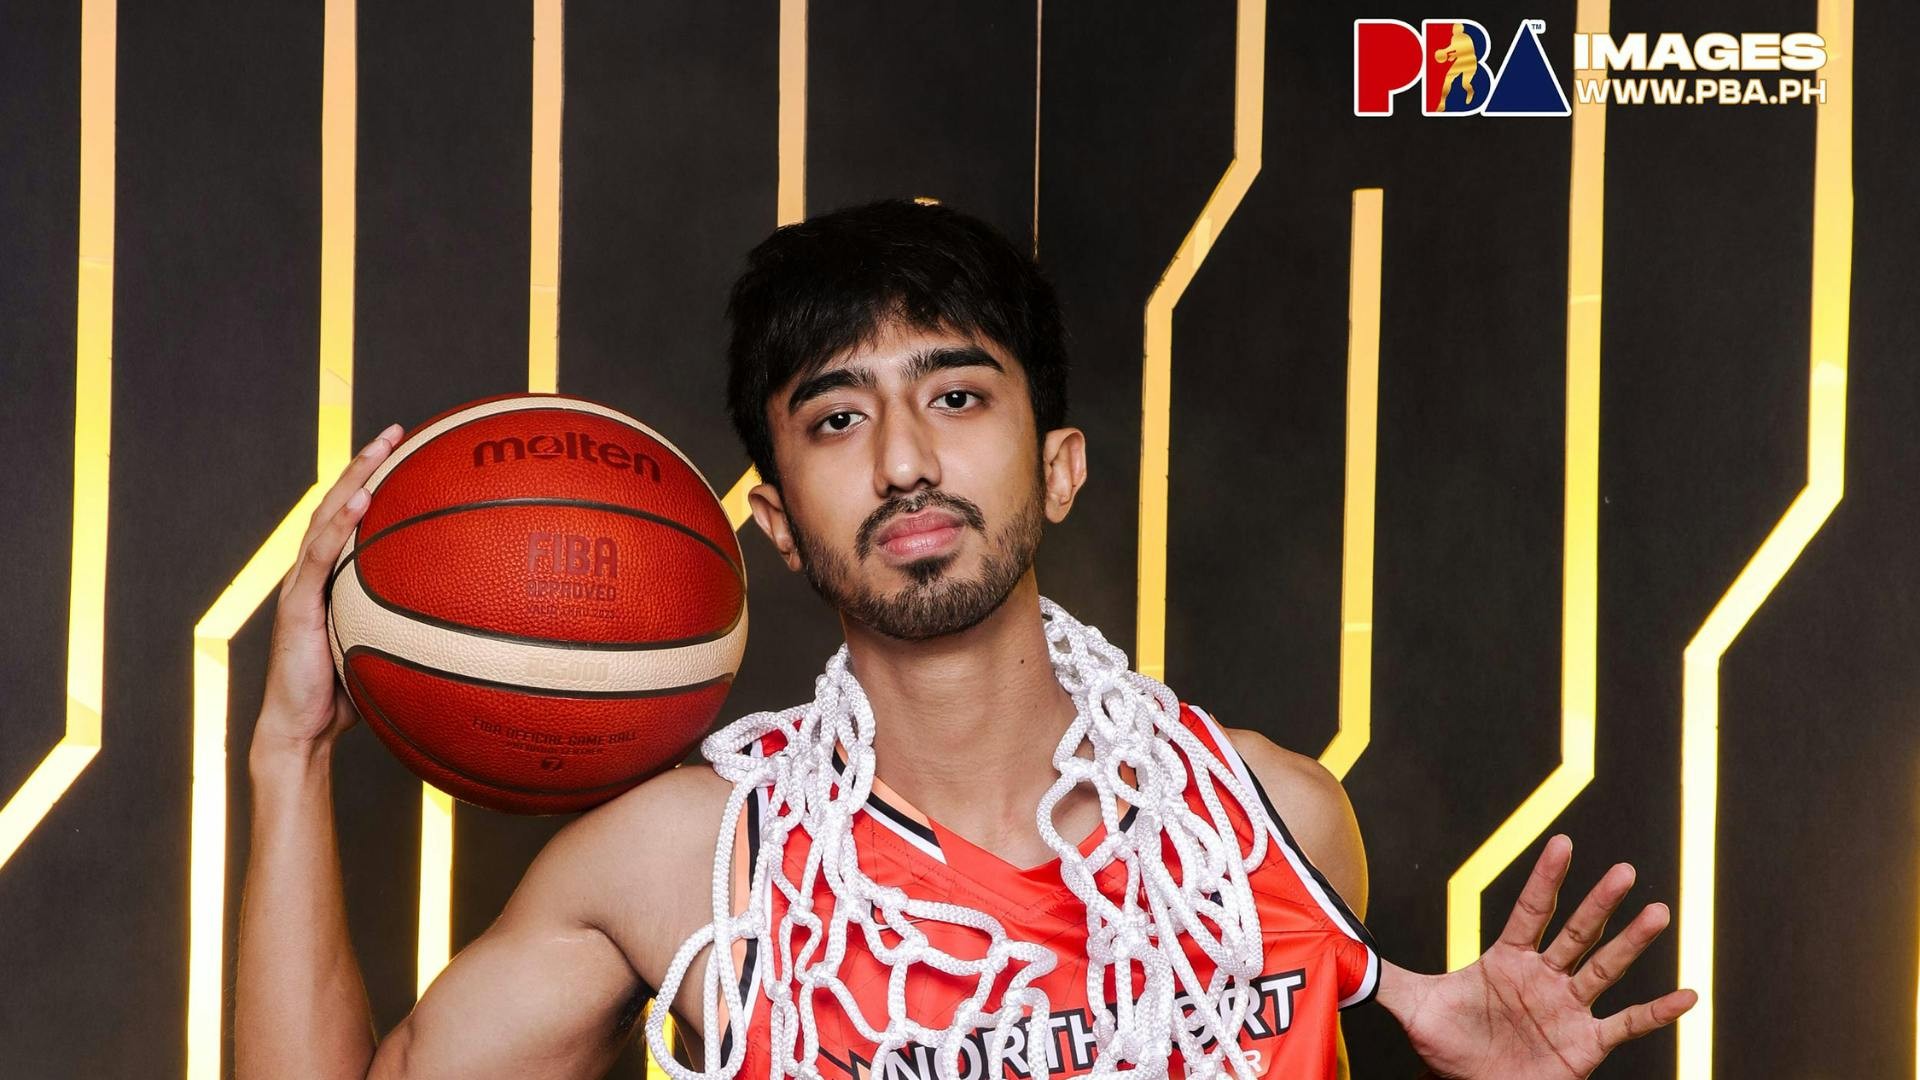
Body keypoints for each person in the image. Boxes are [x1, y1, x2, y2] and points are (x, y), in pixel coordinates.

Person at [235, 199, 1694, 1080]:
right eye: (835, 416)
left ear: (1058, 467)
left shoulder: (1272, 824)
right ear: (776, 521)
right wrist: (289, 754)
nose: (903, 462)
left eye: (956, 396)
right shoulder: (688, 868)